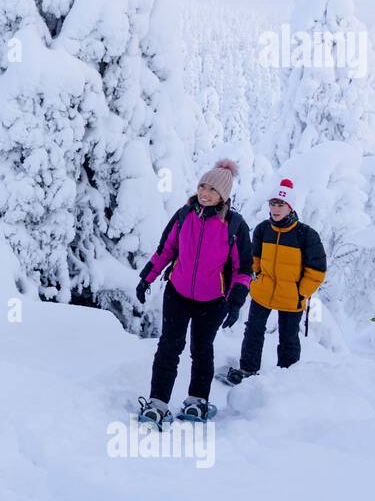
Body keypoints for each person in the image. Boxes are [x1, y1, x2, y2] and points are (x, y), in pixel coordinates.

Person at [134, 159, 253, 428]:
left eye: (212, 188)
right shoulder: (184, 215)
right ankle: (157, 404)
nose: (205, 192)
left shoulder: (234, 225)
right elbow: (165, 250)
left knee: (202, 350)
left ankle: (197, 401)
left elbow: (244, 268)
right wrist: (146, 279)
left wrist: (235, 302)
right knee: (168, 348)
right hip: (177, 294)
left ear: (223, 194)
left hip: (212, 302)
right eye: (202, 185)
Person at [224, 177, 327, 384]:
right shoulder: (263, 229)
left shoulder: (306, 234)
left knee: (288, 338)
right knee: (253, 331)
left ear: (290, 207)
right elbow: (253, 259)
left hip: (291, 298)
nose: (276, 208)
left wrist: (301, 293)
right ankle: (247, 370)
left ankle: (287, 378)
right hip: (263, 292)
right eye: (273, 203)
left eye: (281, 204)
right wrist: (257, 279)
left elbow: (316, 270)